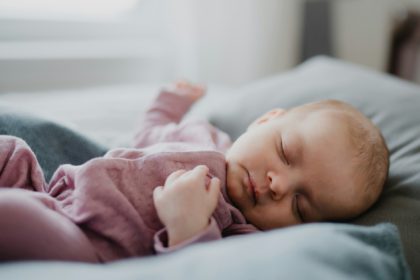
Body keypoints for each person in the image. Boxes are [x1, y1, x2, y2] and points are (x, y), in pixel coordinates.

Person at [0, 81, 389, 263]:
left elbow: (202, 271)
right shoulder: (201, 134)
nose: (278, 185)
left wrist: (188, 227)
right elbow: (149, 131)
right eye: (286, 153)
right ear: (265, 121)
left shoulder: (240, 231)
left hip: (84, 245)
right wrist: (172, 102)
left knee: (14, 214)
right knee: (11, 149)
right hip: (53, 190)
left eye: (301, 207)